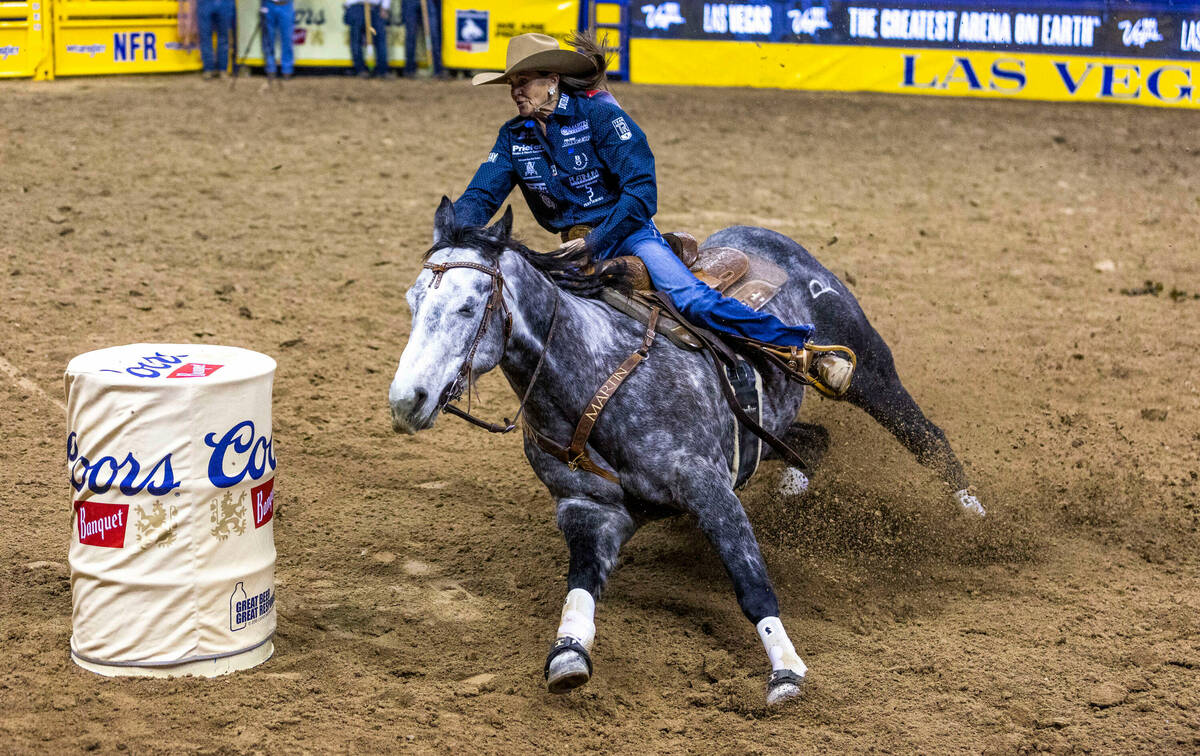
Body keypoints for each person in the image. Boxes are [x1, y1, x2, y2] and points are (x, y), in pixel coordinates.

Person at [453, 33, 847, 389]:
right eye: (512, 84)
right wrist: (450, 235)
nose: (515, 92)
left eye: (523, 81)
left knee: (691, 299)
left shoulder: (600, 117)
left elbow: (641, 193)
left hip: (630, 233)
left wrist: (594, 242)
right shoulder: (513, 137)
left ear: (552, 80)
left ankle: (804, 350)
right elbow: (481, 196)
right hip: (573, 247)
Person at [344, 0, 390, 78]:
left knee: (381, 39)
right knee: (356, 39)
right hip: (356, 7)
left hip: (376, 8)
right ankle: (360, 69)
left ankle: (382, 70)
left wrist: (385, 7)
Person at [401, 0, 442, 77]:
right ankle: (409, 70)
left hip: (428, 2)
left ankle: (438, 69)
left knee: (433, 34)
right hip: (409, 2)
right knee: (410, 35)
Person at [196, 0, 235, 78]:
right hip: (205, 3)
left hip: (225, 3)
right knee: (205, 36)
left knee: (224, 36)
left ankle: (222, 69)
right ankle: (208, 69)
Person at [260, 0, 295, 80]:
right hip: (268, 4)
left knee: (287, 38)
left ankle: (287, 69)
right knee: (268, 37)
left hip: (286, 4)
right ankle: (270, 68)